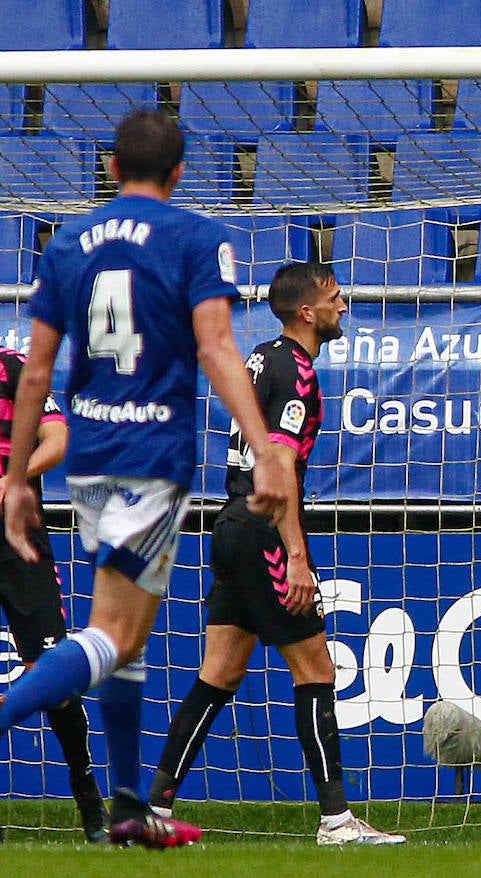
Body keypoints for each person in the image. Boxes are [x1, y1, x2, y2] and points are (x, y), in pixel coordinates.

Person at [0, 109, 291, 849]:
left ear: (110, 167)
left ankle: (129, 806)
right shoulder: (195, 238)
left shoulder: (67, 243)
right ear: (182, 171)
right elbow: (219, 347)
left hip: (90, 455)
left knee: (124, 635)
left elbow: (36, 371)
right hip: (153, 456)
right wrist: (265, 447)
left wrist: (14, 476)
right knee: (115, 634)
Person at [146, 263, 405, 846]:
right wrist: (296, 555)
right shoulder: (299, 371)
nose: (345, 305)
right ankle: (337, 820)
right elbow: (281, 464)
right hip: (264, 527)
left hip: (230, 522)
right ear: (307, 312)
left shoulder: (261, 357)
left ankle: (156, 806)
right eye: (336, 297)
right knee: (315, 669)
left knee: (220, 672)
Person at [0, 346, 108, 843]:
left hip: (18, 538)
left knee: (54, 677)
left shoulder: (12, 367)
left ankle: (90, 802)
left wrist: (12, 478)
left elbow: (58, 437)